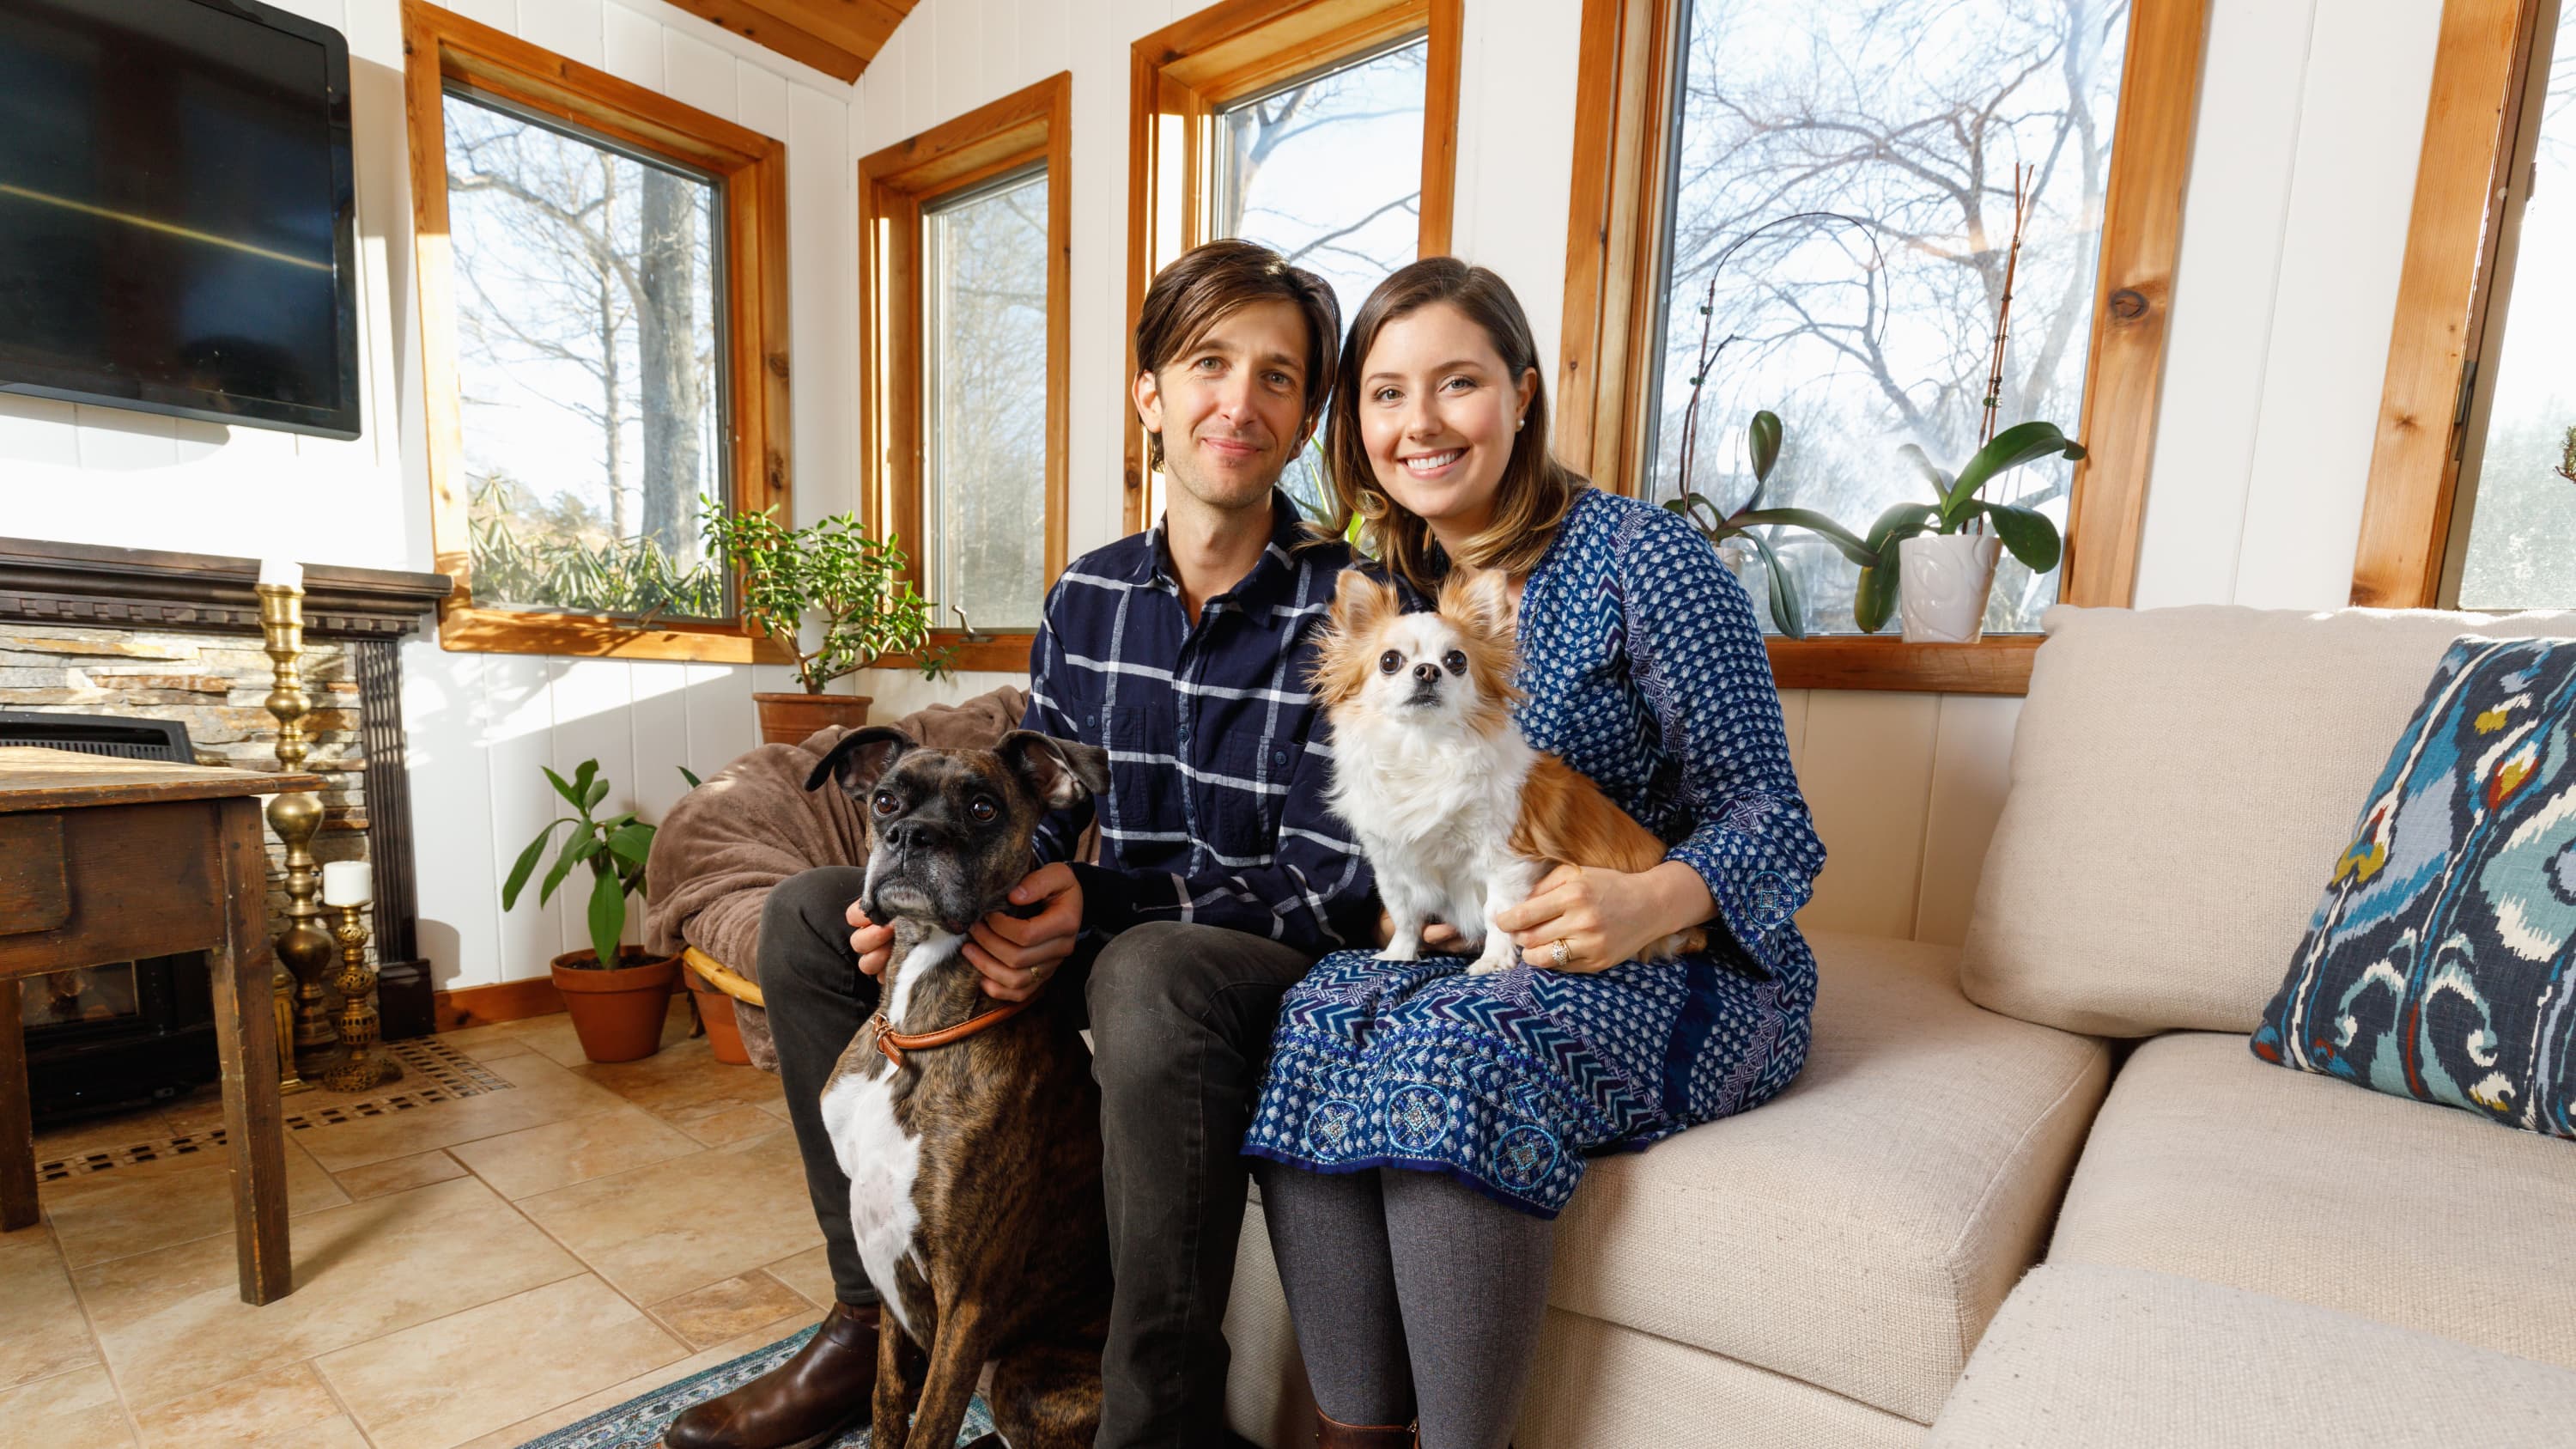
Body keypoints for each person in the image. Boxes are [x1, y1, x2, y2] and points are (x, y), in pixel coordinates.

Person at [665, 240, 1378, 1449]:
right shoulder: (1087, 594)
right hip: (1092, 928)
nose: (1238, 400)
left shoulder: (1352, 605)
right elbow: (1038, 803)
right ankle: (865, 1315)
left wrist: (1091, 911)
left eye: (1277, 375)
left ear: (1306, 415)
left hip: (1252, 964)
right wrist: (924, 899)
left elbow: (1329, 884)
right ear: (1150, 392)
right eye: (1209, 363)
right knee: (799, 915)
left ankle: (1152, 1418)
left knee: (1145, 969)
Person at [1239, 258, 1826, 1449]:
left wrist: (1649, 900)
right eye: (1388, 394)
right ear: (1359, 423)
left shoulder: (1642, 561)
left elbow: (1777, 818)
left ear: (1520, 391)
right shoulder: (1411, 600)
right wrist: (1455, 909)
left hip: (1696, 969)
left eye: (1456, 383)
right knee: (1317, 1009)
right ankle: (1355, 1437)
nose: (1421, 422)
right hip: (1517, 944)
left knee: (1461, 1041)